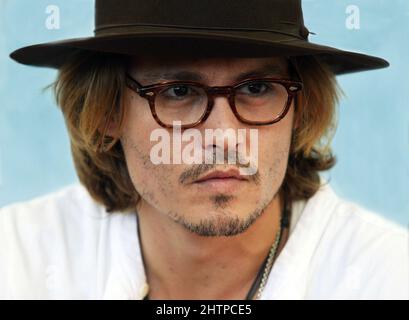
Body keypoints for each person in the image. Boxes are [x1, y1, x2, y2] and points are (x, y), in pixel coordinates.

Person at [1, 0, 407, 300]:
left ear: (300, 109)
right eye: (179, 91)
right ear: (106, 111)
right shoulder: (20, 263)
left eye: (256, 89)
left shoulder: (385, 277)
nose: (225, 137)